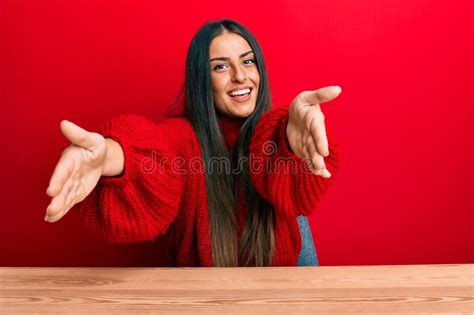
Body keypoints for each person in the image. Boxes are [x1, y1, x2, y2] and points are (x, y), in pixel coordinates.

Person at [44, 19, 341, 267]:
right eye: (220, 67)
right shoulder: (185, 138)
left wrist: (291, 143)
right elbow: (153, 149)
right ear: (201, 78)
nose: (241, 76)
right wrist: (109, 157)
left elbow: (279, 143)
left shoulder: (277, 135)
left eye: (248, 61)